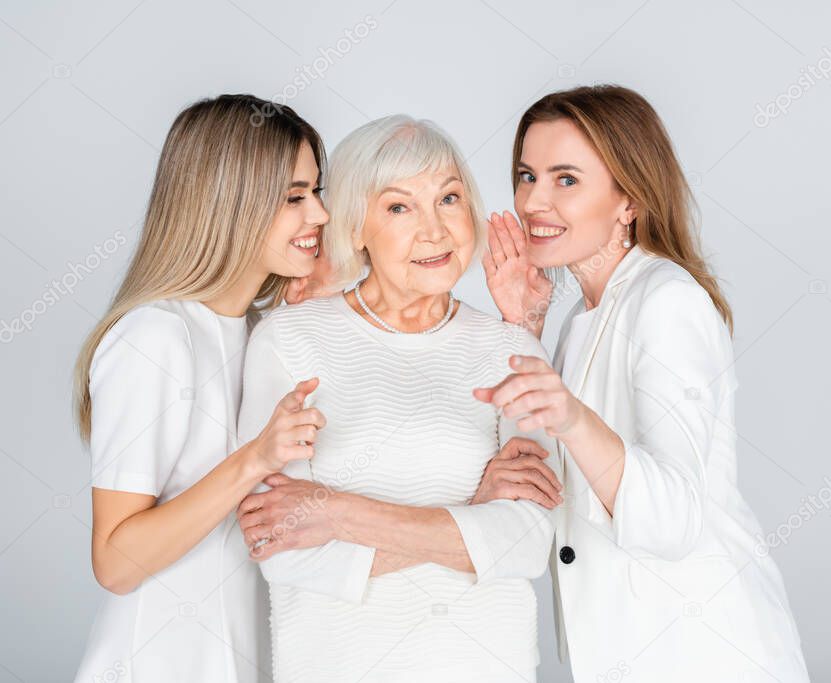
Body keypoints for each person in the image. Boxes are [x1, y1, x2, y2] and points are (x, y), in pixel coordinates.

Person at [474, 84, 811, 682]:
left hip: (704, 654)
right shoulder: (580, 319)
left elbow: (673, 518)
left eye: (565, 179)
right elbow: (542, 479)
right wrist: (522, 327)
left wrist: (574, 417)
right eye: (526, 176)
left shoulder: (668, 300)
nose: (532, 201)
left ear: (627, 199)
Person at [235, 115, 561, 683]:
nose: (435, 230)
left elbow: (529, 543)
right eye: (398, 207)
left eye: (450, 198)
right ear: (355, 226)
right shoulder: (289, 341)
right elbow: (279, 545)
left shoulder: (511, 346)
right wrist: (475, 520)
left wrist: (338, 512)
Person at [72, 94, 330, 682]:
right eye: (294, 197)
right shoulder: (154, 337)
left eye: (317, 192)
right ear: (229, 204)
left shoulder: (262, 334)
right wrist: (253, 459)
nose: (318, 215)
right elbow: (115, 561)